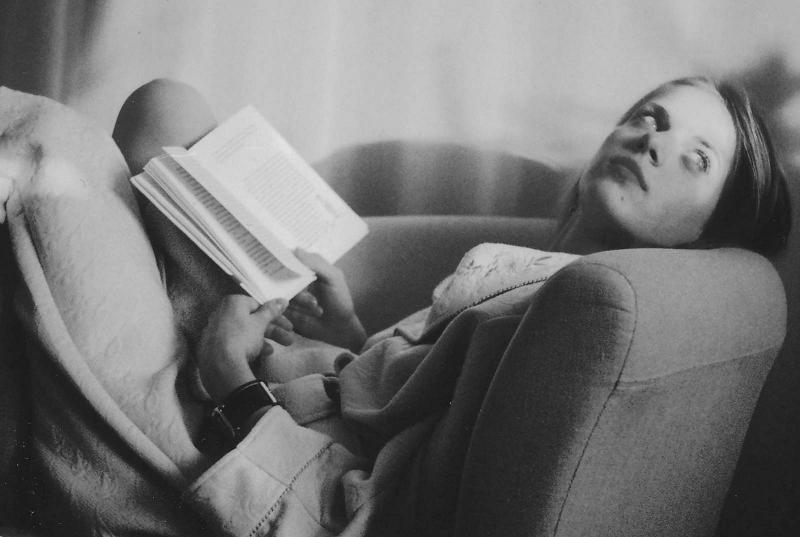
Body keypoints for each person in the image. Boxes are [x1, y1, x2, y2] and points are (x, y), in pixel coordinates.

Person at [2, 75, 789, 535]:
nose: (653, 139)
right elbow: (393, 399)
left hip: (227, 446)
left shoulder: (570, 316)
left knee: (46, 137)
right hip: (284, 384)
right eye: (650, 115)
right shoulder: (521, 268)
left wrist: (229, 379)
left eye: (694, 158)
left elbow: (367, 508)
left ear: (707, 231)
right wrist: (348, 332)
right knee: (165, 110)